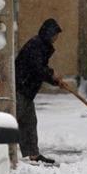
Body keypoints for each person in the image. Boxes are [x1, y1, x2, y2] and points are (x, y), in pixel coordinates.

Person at [15, 18, 63, 164]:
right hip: (21, 88)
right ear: (48, 34)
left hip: (27, 90)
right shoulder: (36, 46)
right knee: (13, 121)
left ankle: (32, 154)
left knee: (29, 122)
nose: (56, 38)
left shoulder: (42, 45)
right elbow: (37, 68)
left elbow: (40, 69)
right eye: (55, 35)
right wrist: (52, 76)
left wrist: (53, 79)